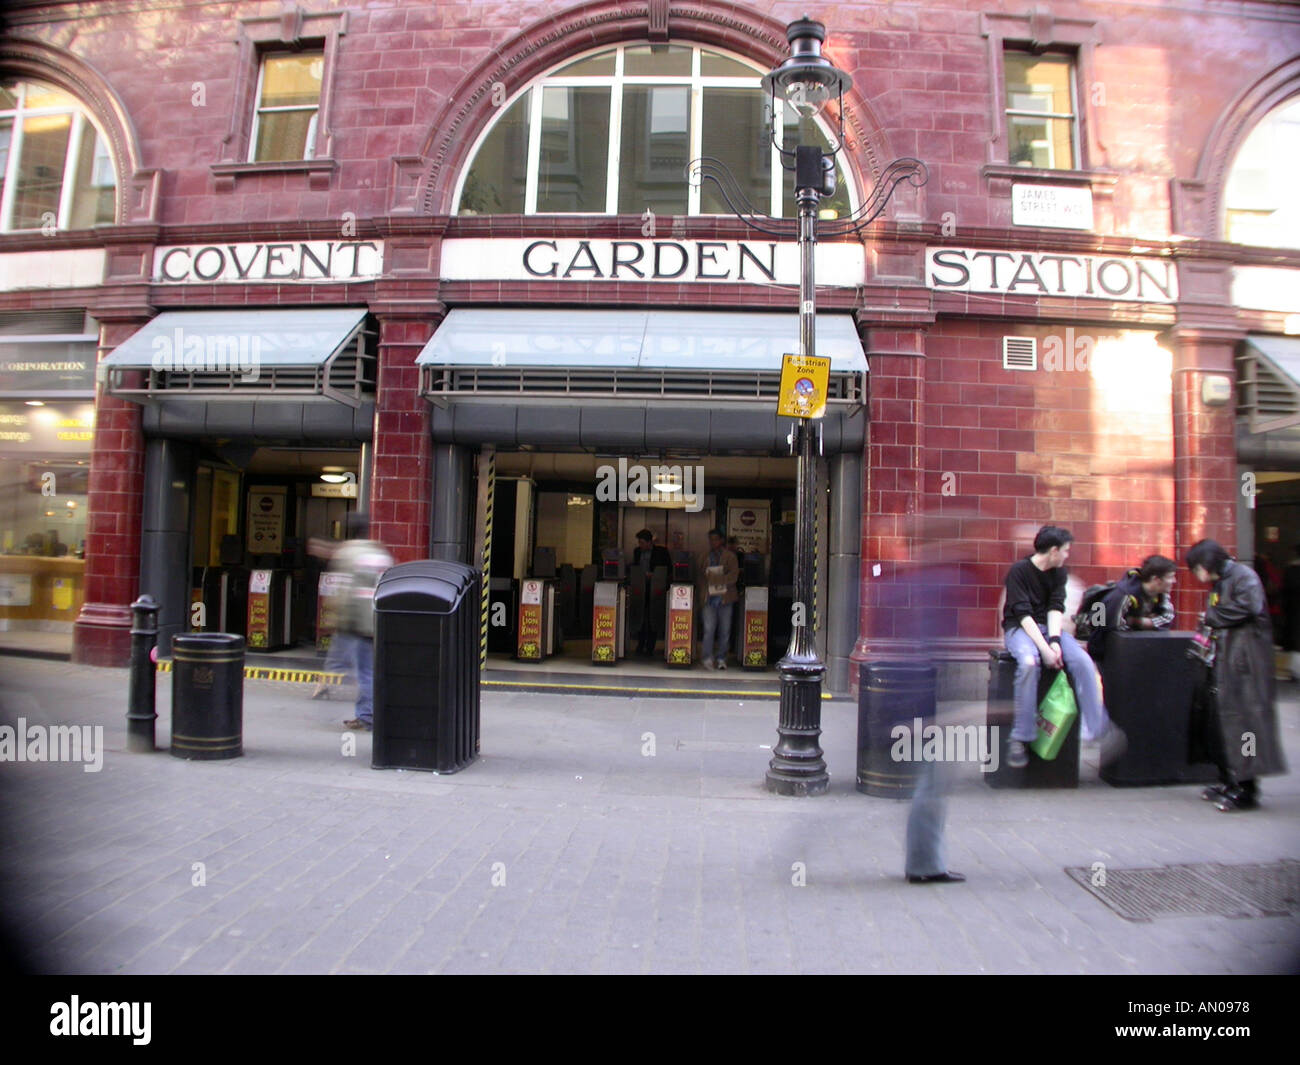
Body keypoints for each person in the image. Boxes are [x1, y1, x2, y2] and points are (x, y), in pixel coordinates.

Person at [1001, 525, 1126, 769]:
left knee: (1083, 662)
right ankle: (1021, 737)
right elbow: (1022, 614)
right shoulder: (1019, 571)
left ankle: (1099, 727)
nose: (1068, 555)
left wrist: (1056, 642)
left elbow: (1055, 608)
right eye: (1066, 550)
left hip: (1049, 629)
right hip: (1020, 628)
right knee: (1028, 663)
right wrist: (1046, 650)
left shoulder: (1059, 573)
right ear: (1054, 550)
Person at [1186, 539, 1288, 811]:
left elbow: (1248, 608)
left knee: (1245, 727)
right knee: (1222, 725)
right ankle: (1229, 779)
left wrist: (1211, 615)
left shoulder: (1244, 576)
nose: (1196, 575)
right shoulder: (1222, 581)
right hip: (1227, 661)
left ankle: (1247, 788)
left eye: (1196, 568)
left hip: (1246, 664)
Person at [327, 513, 393, 731]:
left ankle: (367, 716)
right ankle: (368, 712)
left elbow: (344, 591)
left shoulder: (348, 553)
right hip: (378, 619)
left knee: (360, 670)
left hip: (357, 623)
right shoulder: (380, 553)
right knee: (368, 669)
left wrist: (337, 619)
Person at [1085, 554, 1177, 661]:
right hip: (1108, 653)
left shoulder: (1161, 593)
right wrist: (1150, 621)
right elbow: (1116, 629)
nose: (1174, 581)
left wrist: (1136, 621)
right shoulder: (1123, 595)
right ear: (1156, 579)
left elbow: (1168, 618)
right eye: (1170, 577)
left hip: (1138, 651)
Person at [696, 527, 738, 669]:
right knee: (709, 629)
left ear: (721, 540)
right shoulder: (704, 556)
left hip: (725, 598)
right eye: (710, 539)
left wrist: (717, 579)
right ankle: (707, 657)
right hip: (708, 598)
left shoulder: (730, 557)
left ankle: (721, 658)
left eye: (715, 539)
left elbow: (734, 576)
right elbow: (699, 572)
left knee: (725, 630)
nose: (712, 542)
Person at [631, 529, 671, 656]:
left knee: (653, 616)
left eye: (642, 542)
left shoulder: (661, 552)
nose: (640, 545)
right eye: (639, 542)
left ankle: (650, 645)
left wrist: (654, 575)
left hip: (655, 588)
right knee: (640, 615)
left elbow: (668, 569)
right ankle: (640, 642)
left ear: (649, 542)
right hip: (640, 588)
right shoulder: (637, 552)